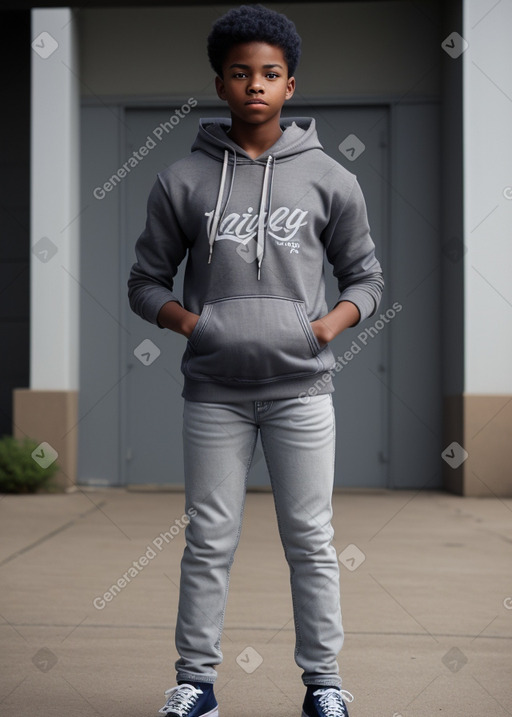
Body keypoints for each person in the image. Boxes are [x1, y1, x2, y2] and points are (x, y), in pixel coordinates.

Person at [128, 4, 384, 716]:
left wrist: (325, 327)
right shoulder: (183, 180)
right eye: (241, 73)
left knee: (311, 539)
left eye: (269, 74)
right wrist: (193, 324)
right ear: (220, 83)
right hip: (213, 390)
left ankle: (324, 684)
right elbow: (143, 282)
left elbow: (367, 275)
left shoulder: (329, 177)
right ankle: (197, 683)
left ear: (291, 86)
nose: (255, 86)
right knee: (208, 537)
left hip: (302, 389)